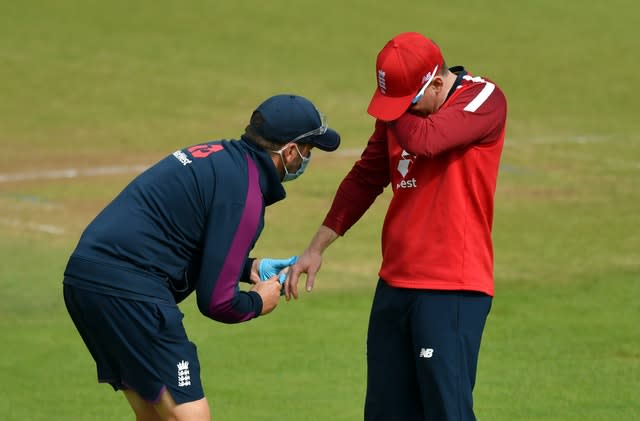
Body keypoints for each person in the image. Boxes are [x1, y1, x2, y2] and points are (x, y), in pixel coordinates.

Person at [62, 94, 340, 420]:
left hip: (85, 280)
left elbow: (187, 237)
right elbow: (217, 302)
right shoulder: (245, 194)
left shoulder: (221, 157)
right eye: (308, 151)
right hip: (131, 291)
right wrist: (258, 302)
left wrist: (250, 267)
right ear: (289, 152)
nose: (307, 159)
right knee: (191, 416)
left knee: (154, 415)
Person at [287, 32, 507, 420]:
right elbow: (364, 179)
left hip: (451, 289)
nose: (393, 113)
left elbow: (427, 141)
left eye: (406, 101)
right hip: (394, 286)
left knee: (446, 412)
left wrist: (394, 112)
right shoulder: (402, 117)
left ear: (437, 83)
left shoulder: (484, 97)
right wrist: (316, 247)